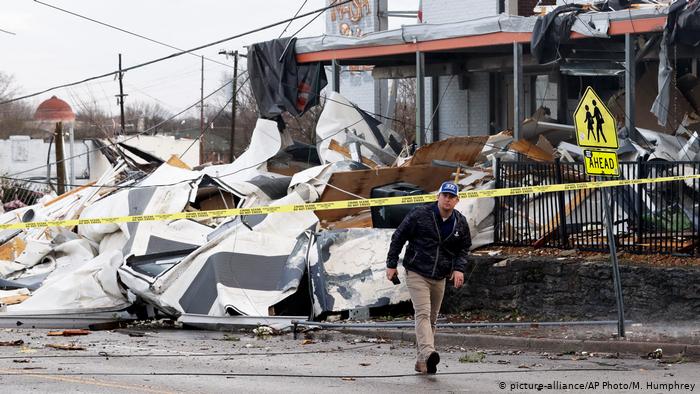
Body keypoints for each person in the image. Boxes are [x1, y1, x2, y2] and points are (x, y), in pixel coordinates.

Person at [385, 181, 471, 374]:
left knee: (431, 319)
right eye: (444, 196)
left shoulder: (460, 222)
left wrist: (459, 269)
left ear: (457, 200)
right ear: (438, 197)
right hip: (416, 271)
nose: (447, 200)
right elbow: (398, 236)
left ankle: (422, 362)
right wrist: (391, 264)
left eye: (451, 197)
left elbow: (464, 248)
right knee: (422, 314)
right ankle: (429, 352)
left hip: (440, 275)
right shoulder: (420, 214)